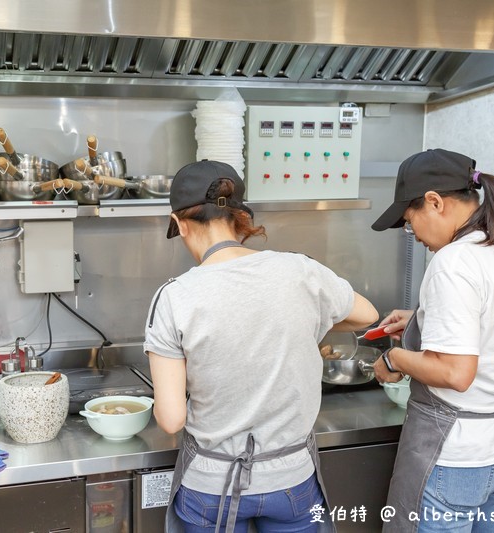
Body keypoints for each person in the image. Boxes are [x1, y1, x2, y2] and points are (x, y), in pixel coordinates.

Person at [143, 160, 379, 532]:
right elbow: (366, 314)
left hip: (211, 487)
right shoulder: (301, 270)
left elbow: (171, 419)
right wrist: (307, 316)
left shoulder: (174, 297)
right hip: (292, 480)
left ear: (180, 224)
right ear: (240, 219)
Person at [370, 149, 494, 533]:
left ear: (435, 202)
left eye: (409, 221)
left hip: (459, 459)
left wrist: (396, 361)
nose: (414, 234)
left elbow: (456, 372)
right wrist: (422, 319)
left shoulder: (455, 261)